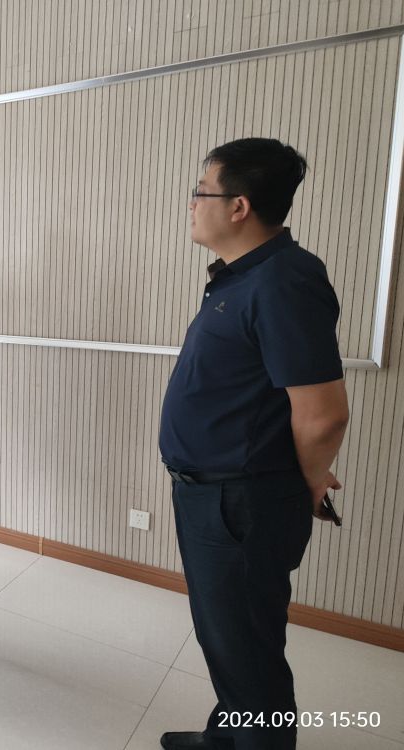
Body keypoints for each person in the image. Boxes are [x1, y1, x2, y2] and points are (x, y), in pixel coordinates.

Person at [158, 139, 350, 750]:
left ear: (238, 206)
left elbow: (323, 415)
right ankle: (227, 737)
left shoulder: (284, 280)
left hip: (240, 502)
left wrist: (310, 479)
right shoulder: (240, 277)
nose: (192, 204)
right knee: (228, 640)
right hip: (214, 495)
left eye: (201, 192)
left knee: (248, 654)